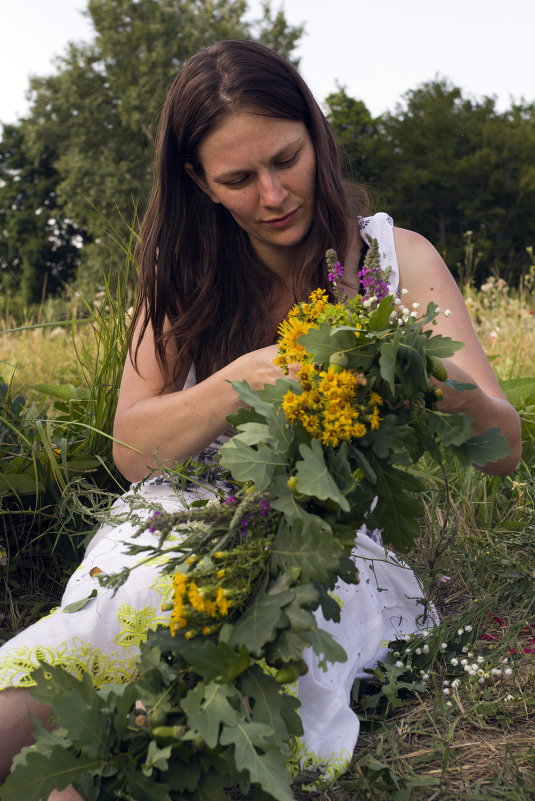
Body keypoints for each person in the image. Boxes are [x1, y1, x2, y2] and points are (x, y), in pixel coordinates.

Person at [0, 40, 521, 798]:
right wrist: (234, 382)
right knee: (115, 623)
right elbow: (132, 449)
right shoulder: (183, 272)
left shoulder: (397, 257)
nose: (273, 194)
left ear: (315, 135)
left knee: (253, 668)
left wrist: (417, 366)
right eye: (238, 179)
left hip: (328, 541)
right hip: (181, 519)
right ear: (198, 182)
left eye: (286, 159)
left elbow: (501, 448)